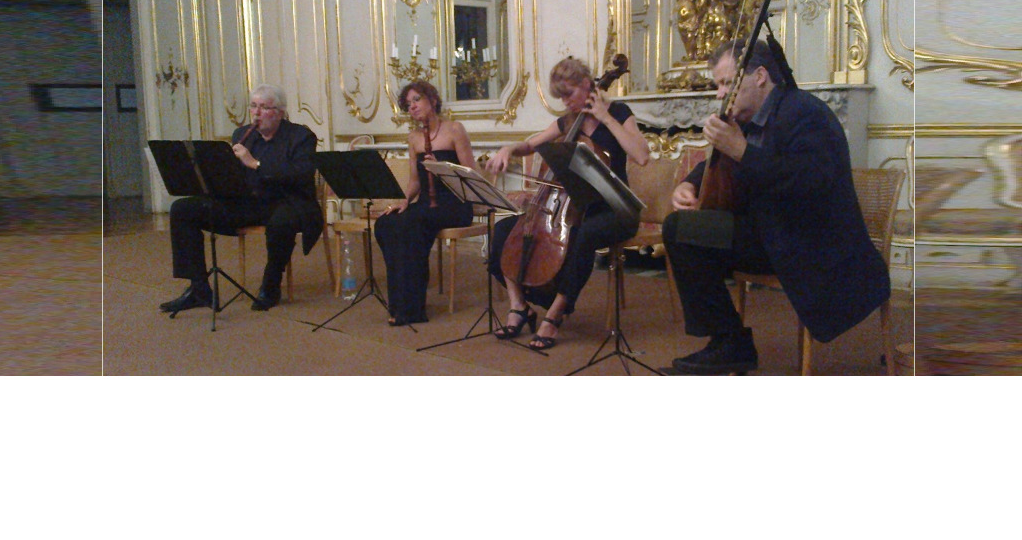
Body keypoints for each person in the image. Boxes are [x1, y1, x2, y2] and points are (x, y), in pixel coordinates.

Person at [662, 38, 891, 374]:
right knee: (683, 229)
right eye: (718, 85)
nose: (720, 94)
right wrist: (689, 183)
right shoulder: (750, 119)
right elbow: (719, 160)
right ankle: (728, 342)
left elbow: (809, 182)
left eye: (727, 83)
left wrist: (742, 151)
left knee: (685, 231)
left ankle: (730, 345)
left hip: (811, 243)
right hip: (772, 232)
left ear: (760, 76)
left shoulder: (805, 113)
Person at [486, 57, 650, 351]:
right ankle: (519, 306)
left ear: (587, 84)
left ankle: (555, 313)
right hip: (575, 208)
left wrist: (605, 118)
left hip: (616, 208)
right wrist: (508, 149)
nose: (565, 102)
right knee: (503, 231)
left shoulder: (619, 113)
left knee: (584, 235)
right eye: (560, 97)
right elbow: (531, 144)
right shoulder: (568, 121)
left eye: (569, 94)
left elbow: (642, 155)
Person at [158, 84, 323, 313]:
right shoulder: (242, 135)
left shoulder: (301, 137)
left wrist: (255, 164)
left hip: (288, 200)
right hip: (248, 202)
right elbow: (233, 178)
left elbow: (300, 174)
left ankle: (271, 284)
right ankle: (198, 288)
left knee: (281, 223)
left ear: (280, 112)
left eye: (264, 108)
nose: (256, 113)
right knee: (183, 209)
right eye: (253, 106)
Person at [373, 81, 478, 326]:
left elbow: (471, 174)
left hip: (454, 204)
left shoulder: (454, 129)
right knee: (386, 223)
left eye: (417, 99)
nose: (412, 106)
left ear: (432, 100)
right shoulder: (414, 138)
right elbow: (414, 180)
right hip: (426, 204)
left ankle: (412, 310)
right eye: (408, 104)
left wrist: (442, 169)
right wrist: (404, 200)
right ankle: (400, 302)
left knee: (411, 224)